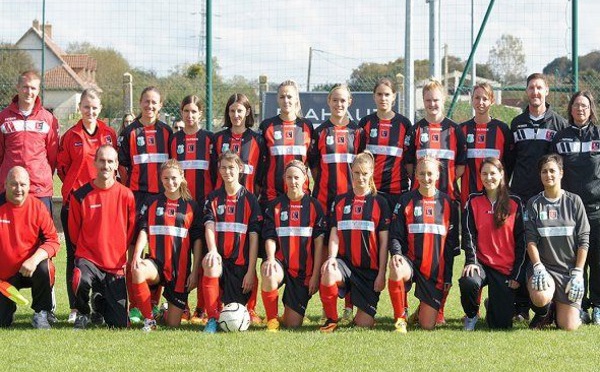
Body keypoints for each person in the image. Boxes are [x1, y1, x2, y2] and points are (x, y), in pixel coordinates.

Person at [507, 73, 568, 321]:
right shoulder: (517, 123)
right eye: (531, 88)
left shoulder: (559, 124)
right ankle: (521, 305)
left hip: (548, 199)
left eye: (539, 88)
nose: (535, 92)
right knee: (521, 248)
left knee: (548, 247)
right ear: (527, 92)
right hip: (521, 196)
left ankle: (551, 305)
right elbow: (510, 162)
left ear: (547, 91)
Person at [404, 79, 466, 324]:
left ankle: (437, 310)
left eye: (436, 100)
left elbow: (460, 166)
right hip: (419, 205)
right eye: (428, 100)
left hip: (447, 204)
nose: (432, 104)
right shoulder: (415, 130)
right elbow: (409, 165)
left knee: (446, 257)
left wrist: (444, 182)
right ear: (423, 101)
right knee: (417, 254)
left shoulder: (455, 131)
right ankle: (410, 308)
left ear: (444, 101)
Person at [56, 88, 117, 323]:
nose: (90, 111)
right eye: (85, 107)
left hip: (103, 205)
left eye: (94, 107)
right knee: (75, 255)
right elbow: (62, 169)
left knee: (101, 254)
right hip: (75, 205)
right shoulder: (70, 136)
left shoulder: (109, 133)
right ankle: (75, 307)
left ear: (100, 108)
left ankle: (99, 307)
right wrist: (78, 191)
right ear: (79, 108)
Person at [310, 84, 365, 323]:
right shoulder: (320, 131)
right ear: (328, 102)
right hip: (324, 201)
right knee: (324, 253)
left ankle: (349, 307)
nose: (339, 104)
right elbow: (313, 166)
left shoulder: (358, 132)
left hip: (351, 204)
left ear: (350, 102)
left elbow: (363, 166)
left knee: (350, 252)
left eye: (343, 101)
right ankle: (327, 306)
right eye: (335, 100)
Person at [117, 86, 173, 322]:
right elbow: (122, 166)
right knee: (134, 252)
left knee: (158, 252)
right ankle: (135, 307)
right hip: (138, 197)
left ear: (160, 106)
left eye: (154, 103)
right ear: (140, 103)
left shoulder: (168, 133)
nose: (150, 106)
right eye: (146, 102)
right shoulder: (130, 132)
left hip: (161, 199)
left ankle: (153, 304)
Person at [319, 152, 391, 332]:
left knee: (363, 324)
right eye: (357, 173)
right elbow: (334, 234)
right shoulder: (340, 201)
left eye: (365, 173)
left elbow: (384, 244)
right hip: (345, 266)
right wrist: (331, 258)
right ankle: (331, 319)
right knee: (328, 270)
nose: (360, 177)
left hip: (369, 272)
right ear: (351, 171)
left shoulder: (380, 202)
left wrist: (382, 273)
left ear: (371, 173)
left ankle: (361, 311)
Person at [130, 160, 203, 331]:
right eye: (166, 178)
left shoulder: (192, 206)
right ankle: (149, 320)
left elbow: (197, 241)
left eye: (174, 178)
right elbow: (143, 230)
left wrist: (194, 271)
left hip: (180, 271)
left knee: (172, 324)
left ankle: (163, 313)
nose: (170, 182)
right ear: (161, 179)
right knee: (138, 269)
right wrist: (137, 255)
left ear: (182, 178)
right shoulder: (152, 202)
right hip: (157, 263)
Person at [68, 145, 136, 329]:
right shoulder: (80, 195)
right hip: (88, 259)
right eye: (102, 161)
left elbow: (130, 230)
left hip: (115, 264)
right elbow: (74, 233)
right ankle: (83, 312)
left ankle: (98, 303)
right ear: (95, 163)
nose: (105, 165)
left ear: (116, 165)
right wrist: (85, 252)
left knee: (119, 325)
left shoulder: (126, 195)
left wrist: (120, 252)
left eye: (110, 161)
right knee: (79, 277)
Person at [212, 93, 265, 324]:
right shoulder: (217, 139)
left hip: (248, 205)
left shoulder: (258, 140)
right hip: (222, 205)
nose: (235, 115)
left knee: (248, 256)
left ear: (247, 113)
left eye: (240, 111)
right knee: (216, 256)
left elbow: (263, 174)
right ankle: (208, 308)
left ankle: (250, 308)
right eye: (232, 111)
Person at [389, 156, 458, 331]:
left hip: (434, 270)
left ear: (437, 175)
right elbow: (395, 234)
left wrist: (448, 276)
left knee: (427, 326)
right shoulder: (405, 200)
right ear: (416, 176)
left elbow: (450, 246)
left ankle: (420, 312)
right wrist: (396, 253)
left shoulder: (448, 204)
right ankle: (400, 319)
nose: (426, 178)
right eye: (422, 173)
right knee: (396, 268)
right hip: (411, 263)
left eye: (430, 173)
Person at [524, 154, 589, 331]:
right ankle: (545, 310)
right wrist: (537, 266)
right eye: (544, 171)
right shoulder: (534, 203)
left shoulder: (574, 201)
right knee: (540, 297)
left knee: (569, 327)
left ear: (561, 173)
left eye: (552, 170)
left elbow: (584, 239)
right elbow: (530, 240)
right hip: (545, 270)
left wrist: (578, 272)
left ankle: (566, 311)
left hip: (568, 272)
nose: (548, 175)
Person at [459, 157, 526, 330]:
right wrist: (471, 261)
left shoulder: (515, 202)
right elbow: (469, 235)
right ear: (480, 176)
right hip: (481, 264)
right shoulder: (473, 201)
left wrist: (517, 274)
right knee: (469, 281)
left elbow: (522, 241)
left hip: (505, 268)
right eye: (484, 174)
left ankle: (494, 304)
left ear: (502, 174)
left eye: (493, 173)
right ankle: (471, 315)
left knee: (501, 326)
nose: (489, 178)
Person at [261, 160, 326, 331]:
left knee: (293, 324)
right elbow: (269, 237)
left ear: (305, 178)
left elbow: (319, 245)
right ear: (284, 179)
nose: (293, 181)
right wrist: (270, 259)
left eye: (296, 177)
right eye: (289, 177)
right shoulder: (275, 206)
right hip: (281, 264)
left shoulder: (315, 206)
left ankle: (286, 314)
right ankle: (272, 320)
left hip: (304, 272)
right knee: (268, 270)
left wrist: (315, 275)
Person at [552, 91, 600, 324]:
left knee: (596, 259)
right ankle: (578, 304)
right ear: (570, 110)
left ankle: (598, 305)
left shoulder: (599, 135)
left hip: (596, 208)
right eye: (576, 105)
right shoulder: (561, 137)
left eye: (585, 105)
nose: (580, 109)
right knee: (573, 259)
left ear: (591, 109)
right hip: (569, 210)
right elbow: (554, 170)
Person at [201, 151, 262, 333]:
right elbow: (209, 226)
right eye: (223, 168)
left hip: (240, 266)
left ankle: (250, 309)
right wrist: (212, 251)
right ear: (218, 170)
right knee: (210, 264)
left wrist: (251, 270)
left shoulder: (250, 199)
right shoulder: (213, 198)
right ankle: (211, 318)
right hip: (221, 262)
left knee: (239, 309)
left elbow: (253, 237)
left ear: (240, 169)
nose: (227, 172)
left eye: (231, 167)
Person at [169, 95, 214, 325]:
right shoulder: (174, 139)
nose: (189, 115)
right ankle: (181, 305)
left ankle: (202, 307)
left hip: (204, 207)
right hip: (181, 207)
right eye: (186, 111)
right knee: (181, 256)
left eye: (194, 111)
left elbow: (215, 173)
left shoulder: (210, 139)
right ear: (181, 112)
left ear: (200, 114)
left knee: (205, 256)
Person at [0, 166, 60, 329]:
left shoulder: (38, 207)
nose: (18, 189)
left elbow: (53, 241)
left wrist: (34, 259)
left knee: (45, 266)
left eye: (23, 184)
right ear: (5, 184)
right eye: (14, 184)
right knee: (2, 322)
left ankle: (41, 313)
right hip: (3, 278)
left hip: (31, 270)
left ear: (29, 185)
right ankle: (7, 311)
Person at [0, 70, 59, 214]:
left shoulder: (48, 119)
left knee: (41, 235)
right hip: (9, 187)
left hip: (39, 189)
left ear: (38, 90)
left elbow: (53, 156)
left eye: (33, 88)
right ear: (18, 87)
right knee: (8, 234)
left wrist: (39, 174)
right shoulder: (3, 117)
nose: (29, 92)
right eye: (25, 87)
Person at [359, 78, 412, 207]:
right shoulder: (365, 123)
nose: (383, 98)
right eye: (379, 94)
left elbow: (409, 158)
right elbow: (359, 157)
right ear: (374, 96)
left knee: (396, 228)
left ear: (394, 96)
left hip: (397, 191)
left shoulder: (404, 124)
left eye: (387, 94)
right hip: (370, 190)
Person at [259, 80, 313, 204]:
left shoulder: (306, 126)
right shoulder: (267, 126)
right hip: (272, 196)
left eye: (289, 96)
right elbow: (261, 163)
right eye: (282, 97)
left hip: (301, 195)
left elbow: (312, 162)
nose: (286, 100)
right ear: (277, 99)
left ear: (296, 99)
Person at [460, 83, 513, 207]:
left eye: (485, 98)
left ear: (492, 101)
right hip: (469, 196)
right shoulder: (462, 129)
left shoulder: (502, 129)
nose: (481, 102)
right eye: (477, 98)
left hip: (497, 196)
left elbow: (509, 163)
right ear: (472, 100)